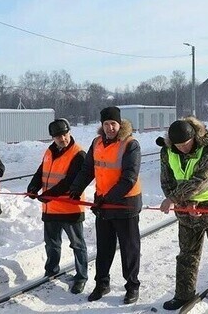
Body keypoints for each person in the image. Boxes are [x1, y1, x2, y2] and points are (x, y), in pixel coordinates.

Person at [158, 118, 208, 314]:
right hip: (186, 211)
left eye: (186, 144)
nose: (183, 148)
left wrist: (174, 199)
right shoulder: (167, 151)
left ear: (194, 136)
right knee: (186, 254)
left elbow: (201, 179)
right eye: (178, 145)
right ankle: (184, 293)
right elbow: (167, 181)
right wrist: (185, 203)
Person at [68, 106, 142, 304]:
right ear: (102, 125)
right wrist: (76, 188)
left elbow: (129, 178)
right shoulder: (97, 143)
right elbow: (87, 169)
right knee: (104, 247)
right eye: (106, 124)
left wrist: (106, 199)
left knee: (129, 248)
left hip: (125, 205)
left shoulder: (130, 144)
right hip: (104, 205)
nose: (110, 127)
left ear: (120, 124)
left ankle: (132, 286)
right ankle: (102, 283)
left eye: (113, 124)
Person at [26, 118, 88, 294]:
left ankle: (81, 277)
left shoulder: (78, 154)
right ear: (52, 138)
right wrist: (33, 187)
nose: (63, 138)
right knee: (52, 244)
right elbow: (41, 171)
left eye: (65, 134)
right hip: (51, 208)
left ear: (69, 132)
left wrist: (48, 195)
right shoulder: (49, 151)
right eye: (58, 136)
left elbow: (70, 181)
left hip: (70, 208)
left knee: (77, 245)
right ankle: (51, 270)